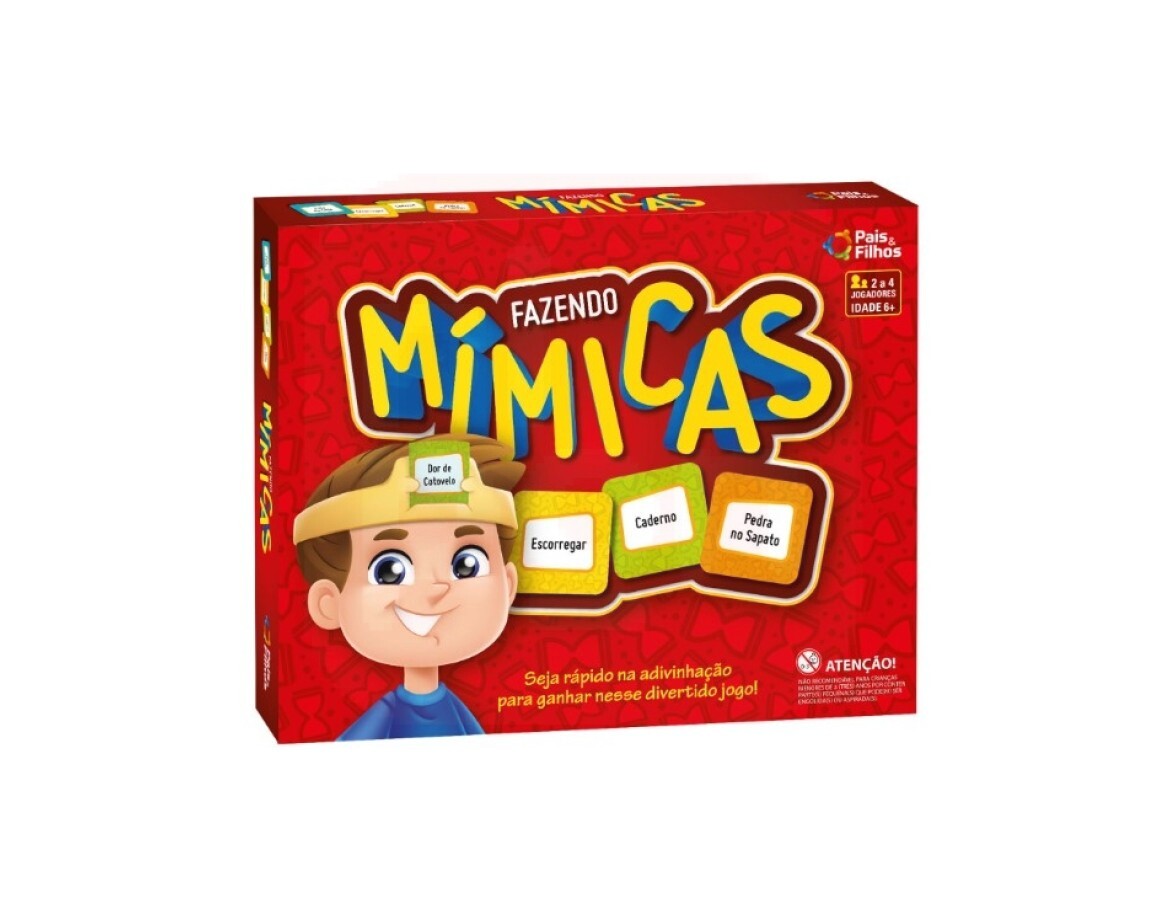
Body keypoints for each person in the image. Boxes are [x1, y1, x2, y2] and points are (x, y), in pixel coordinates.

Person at [293, 434, 523, 739]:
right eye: (389, 571)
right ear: (328, 603)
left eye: (467, 564)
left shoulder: (453, 709)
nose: (436, 587)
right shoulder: (385, 715)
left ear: (508, 585)